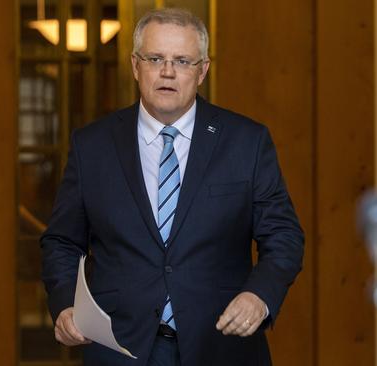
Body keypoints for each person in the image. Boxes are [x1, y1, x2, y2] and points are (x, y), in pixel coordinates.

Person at [40, 8, 304, 366]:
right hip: (120, 347)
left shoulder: (246, 142)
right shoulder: (93, 146)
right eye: (155, 58)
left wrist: (260, 296)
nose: (167, 71)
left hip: (221, 346)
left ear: (202, 71)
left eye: (182, 60)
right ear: (135, 66)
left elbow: (284, 236)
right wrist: (65, 303)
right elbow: (61, 240)